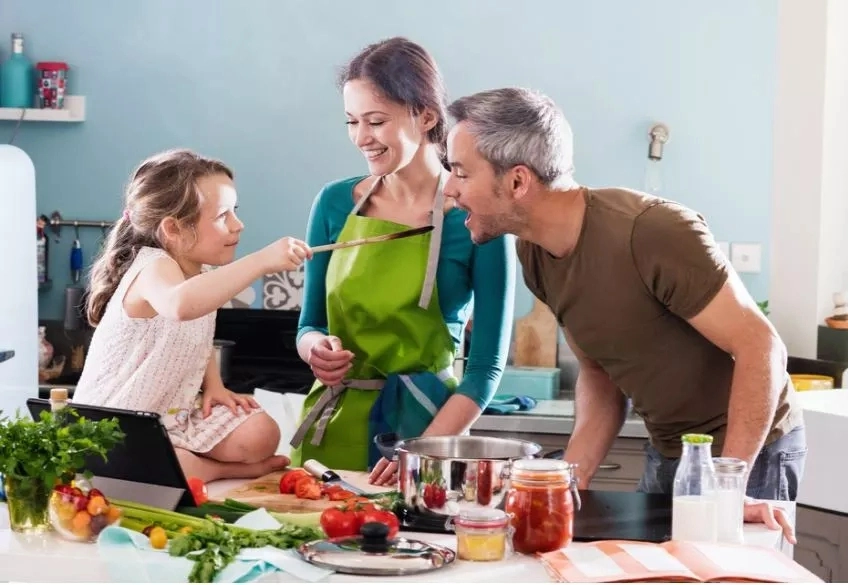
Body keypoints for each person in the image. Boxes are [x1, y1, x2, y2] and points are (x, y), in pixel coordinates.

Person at [441, 87, 805, 543]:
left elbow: (761, 346)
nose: (449, 188)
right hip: (670, 449)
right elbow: (599, 372)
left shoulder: (651, 231)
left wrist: (728, 490)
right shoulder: (533, 252)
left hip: (749, 454)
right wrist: (570, 480)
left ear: (517, 181)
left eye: (459, 172)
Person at [290, 37, 515, 484]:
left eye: (376, 121)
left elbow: (486, 367)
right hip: (331, 434)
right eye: (352, 122)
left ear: (427, 116)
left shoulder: (476, 214)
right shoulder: (334, 203)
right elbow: (308, 323)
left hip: (428, 436)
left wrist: (422, 453)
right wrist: (315, 350)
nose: (361, 138)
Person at [74, 148, 312, 483]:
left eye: (235, 212)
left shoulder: (201, 275)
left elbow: (194, 334)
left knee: (261, 431)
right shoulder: (152, 267)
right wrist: (260, 261)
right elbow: (180, 306)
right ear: (173, 229)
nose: (238, 225)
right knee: (158, 465)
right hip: (116, 425)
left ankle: (189, 460)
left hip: (172, 416)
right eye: (222, 216)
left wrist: (213, 385)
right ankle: (213, 469)